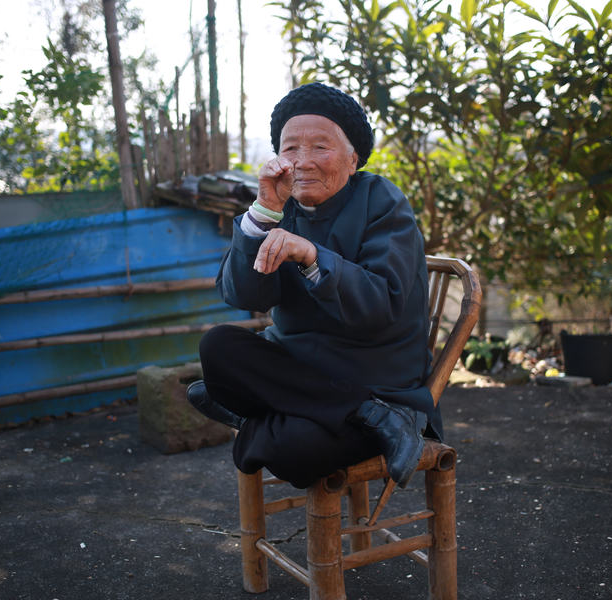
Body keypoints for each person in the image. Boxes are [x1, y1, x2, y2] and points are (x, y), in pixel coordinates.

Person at [187, 82, 440, 489]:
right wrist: (262, 214)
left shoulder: (383, 201)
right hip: (301, 373)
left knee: (290, 451)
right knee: (217, 345)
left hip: (375, 378)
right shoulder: (280, 207)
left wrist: (310, 256)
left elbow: (379, 306)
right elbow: (244, 296)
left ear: (353, 159)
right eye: (290, 149)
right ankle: (369, 417)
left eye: (320, 147)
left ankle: (377, 412)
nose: (303, 162)